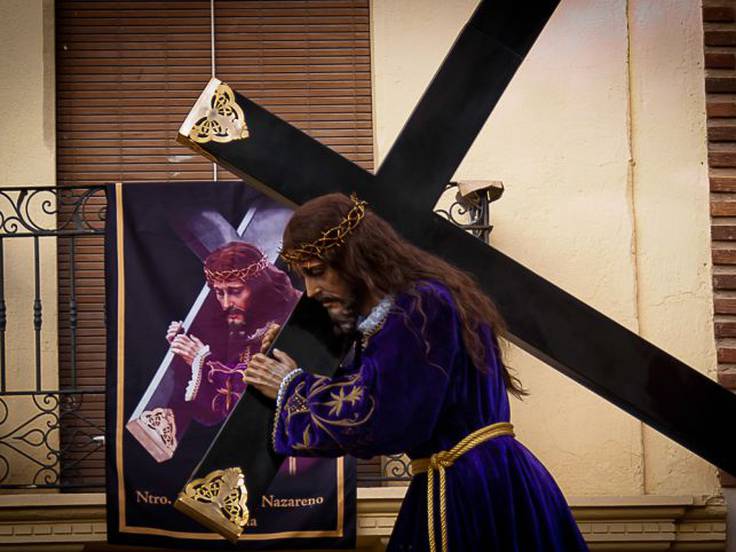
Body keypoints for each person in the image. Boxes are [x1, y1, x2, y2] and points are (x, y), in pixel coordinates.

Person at [245, 193, 588, 551]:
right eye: (303, 277)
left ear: (355, 258)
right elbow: (383, 376)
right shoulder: (420, 302)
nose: (311, 291)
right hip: (486, 479)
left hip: (468, 492)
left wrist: (292, 388)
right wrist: (301, 343)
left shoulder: (420, 309)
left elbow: (383, 415)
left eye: (317, 272)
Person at [167, 241, 300, 424]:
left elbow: (246, 399)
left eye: (235, 291)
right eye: (220, 293)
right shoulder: (248, 326)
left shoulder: (292, 316)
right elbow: (217, 411)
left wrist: (202, 360)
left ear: (259, 286)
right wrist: (185, 352)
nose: (226, 303)